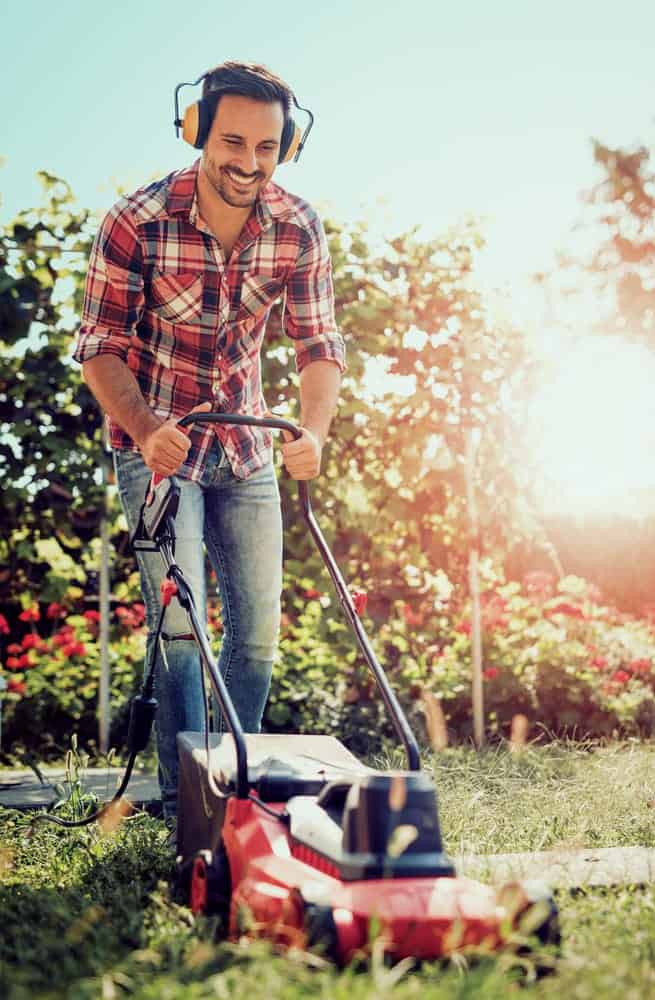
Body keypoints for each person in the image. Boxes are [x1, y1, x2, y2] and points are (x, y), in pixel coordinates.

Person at [73, 61, 346, 819]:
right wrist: (145, 428)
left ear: (286, 147)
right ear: (196, 131)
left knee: (255, 635)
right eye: (232, 141)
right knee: (180, 632)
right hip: (159, 447)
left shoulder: (297, 226)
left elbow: (319, 343)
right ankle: (186, 807)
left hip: (246, 449)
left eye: (266, 147)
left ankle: (234, 793)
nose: (248, 162)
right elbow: (98, 345)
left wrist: (313, 431)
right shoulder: (137, 219)